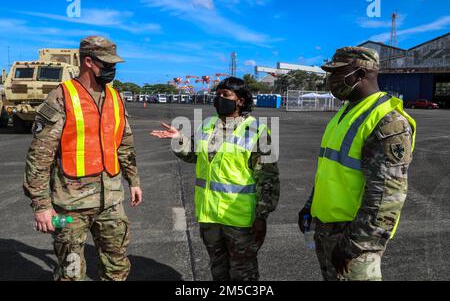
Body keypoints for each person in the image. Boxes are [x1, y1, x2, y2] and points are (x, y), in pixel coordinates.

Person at [23, 36, 142, 281]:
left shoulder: (115, 98)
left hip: (110, 202)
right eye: (107, 64)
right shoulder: (62, 97)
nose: (112, 69)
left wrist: (134, 180)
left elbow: (124, 144)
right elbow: (40, 155)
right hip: (70, 207)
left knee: (118, 268)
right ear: (88, 61)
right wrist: (41, 206)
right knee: (71, 272)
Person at [298, 47, 416, 281]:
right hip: (328, 230)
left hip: (354, 239)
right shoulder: (346, 112)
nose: (331, 80)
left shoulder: (388, 122)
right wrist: (310, 205)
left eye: (338, 73)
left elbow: (387, 196)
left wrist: (356, 244)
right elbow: (330, 170)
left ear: (360, 74)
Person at [151, 77, 280, 281]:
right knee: (218, 270)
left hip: (239, 220)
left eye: (226, 95)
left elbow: (268, 179)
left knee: (243, 274)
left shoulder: (258, 131)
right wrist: (179, 139)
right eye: (218, 94)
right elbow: (194, 154)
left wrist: (261, 217)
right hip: (209, 216)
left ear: (241, 101)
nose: (220, 98)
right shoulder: (208, 124)